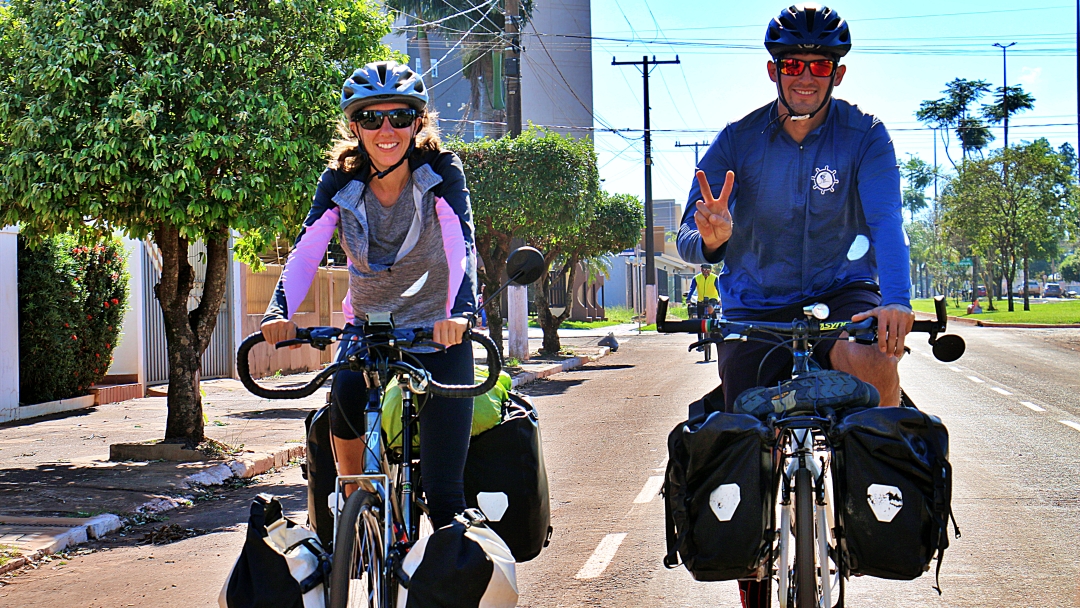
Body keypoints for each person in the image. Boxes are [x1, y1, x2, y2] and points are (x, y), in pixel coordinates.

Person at [677, 7, 913, 604]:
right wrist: (712, 237)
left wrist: (898, 302)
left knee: (878, 359)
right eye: (793, 64)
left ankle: (871, 512)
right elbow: (689, 236)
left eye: (819, 65)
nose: (805, 76)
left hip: (842, 295)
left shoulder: (866, 137)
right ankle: (751, 576)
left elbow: (887, 223)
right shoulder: (736, 140)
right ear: (773, 70)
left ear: (837, 73)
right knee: (741, 442)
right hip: (754, 306)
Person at [261, 60, 478, 530]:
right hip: (368, 325)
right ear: (354, 125)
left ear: (417, 123)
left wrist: (460, 314)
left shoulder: (439, 170)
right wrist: (279, 309)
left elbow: (462, 243)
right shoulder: (341, 180)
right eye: (371, 118)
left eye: (399, 118)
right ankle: (357, 507)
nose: (386, 130)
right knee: (343, 390)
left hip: (437, 331)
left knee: (445, 499)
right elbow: (307, 250)